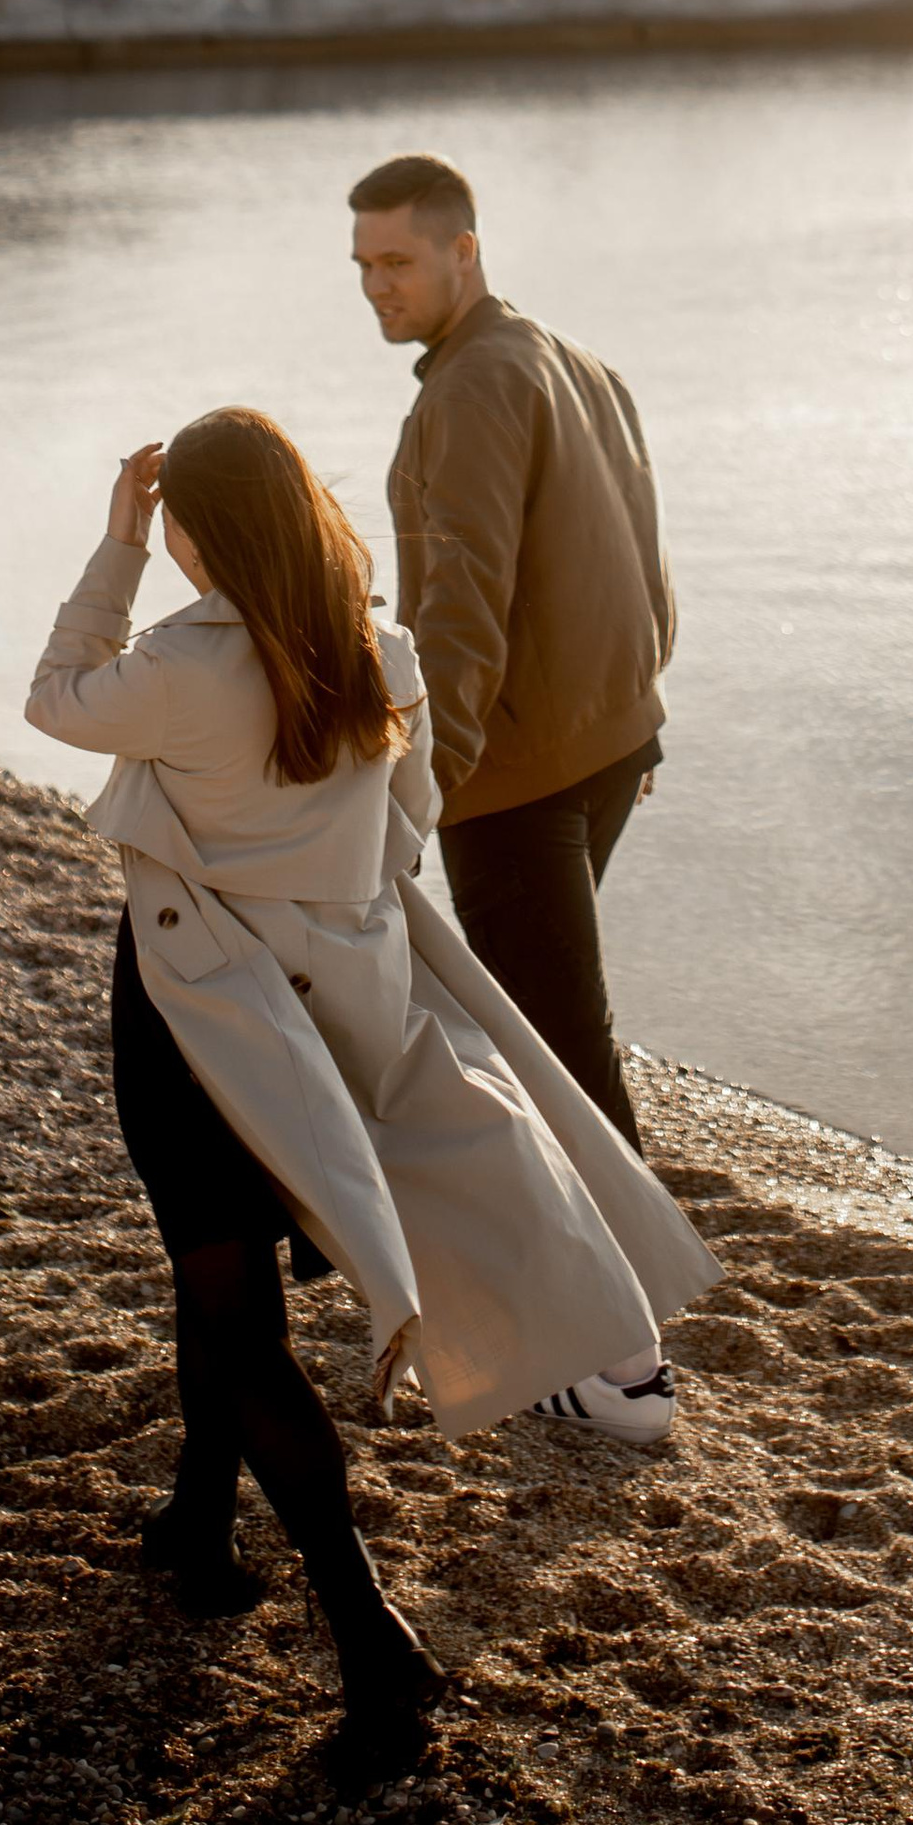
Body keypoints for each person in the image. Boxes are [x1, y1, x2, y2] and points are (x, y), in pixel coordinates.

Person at [26, 409, 715, 1801]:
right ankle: (199, 1523)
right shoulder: (383, 653)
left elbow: (54, 696)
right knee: (219, 1276)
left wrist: (112, 546)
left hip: (199, 1004)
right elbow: (409, 824)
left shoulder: (180, 664)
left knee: (228, 1298)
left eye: (174, 520)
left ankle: (368, 1634)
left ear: (200, 530)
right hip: (336, 1006)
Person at [348, 154, 673, 1182]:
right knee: (559, 1022)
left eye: (398, 260)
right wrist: (639, 704)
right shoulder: (569, 359)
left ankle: (627, 1300)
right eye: (361, 264)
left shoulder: (473, 386)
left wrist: (425, 778)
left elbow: (462, 600)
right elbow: (644, 551)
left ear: (464, 251)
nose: (376, 286)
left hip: (517, 777)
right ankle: (620, 1279)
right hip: (606, 744)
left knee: (556, 1049)